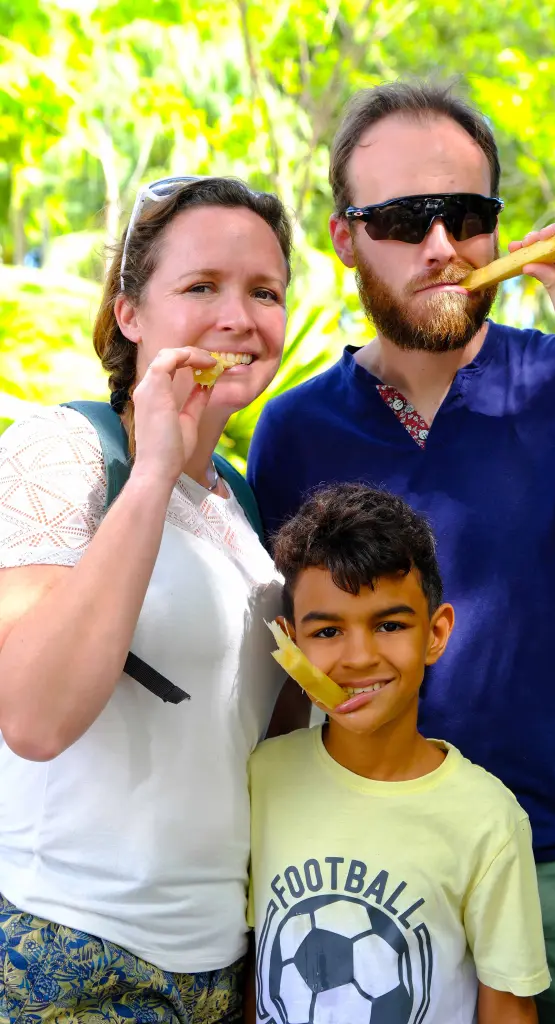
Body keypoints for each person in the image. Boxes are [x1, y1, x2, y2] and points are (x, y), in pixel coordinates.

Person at [247, 82, 555, 1024]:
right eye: (402, 218)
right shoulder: (292, 429)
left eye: (467, 215)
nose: (441, 246)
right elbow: (293, 670)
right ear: (345, 238)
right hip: (389, 875)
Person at [0, 176, 294, 1022]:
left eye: (263, 292)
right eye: (201, 286)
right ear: (129, 312)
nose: (238, 316)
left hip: (212, 967)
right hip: (69, 950)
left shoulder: (245, 510)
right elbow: (34, 717)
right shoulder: (68, 450)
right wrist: (156, 464)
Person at [247, 482, 550, 1024]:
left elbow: (508, 1006)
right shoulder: (261, 779)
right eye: (328, 630)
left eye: (389, 625)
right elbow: (257, 970)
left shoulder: (488, 820)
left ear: (435, 633)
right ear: (292, 644)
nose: (359, 656)